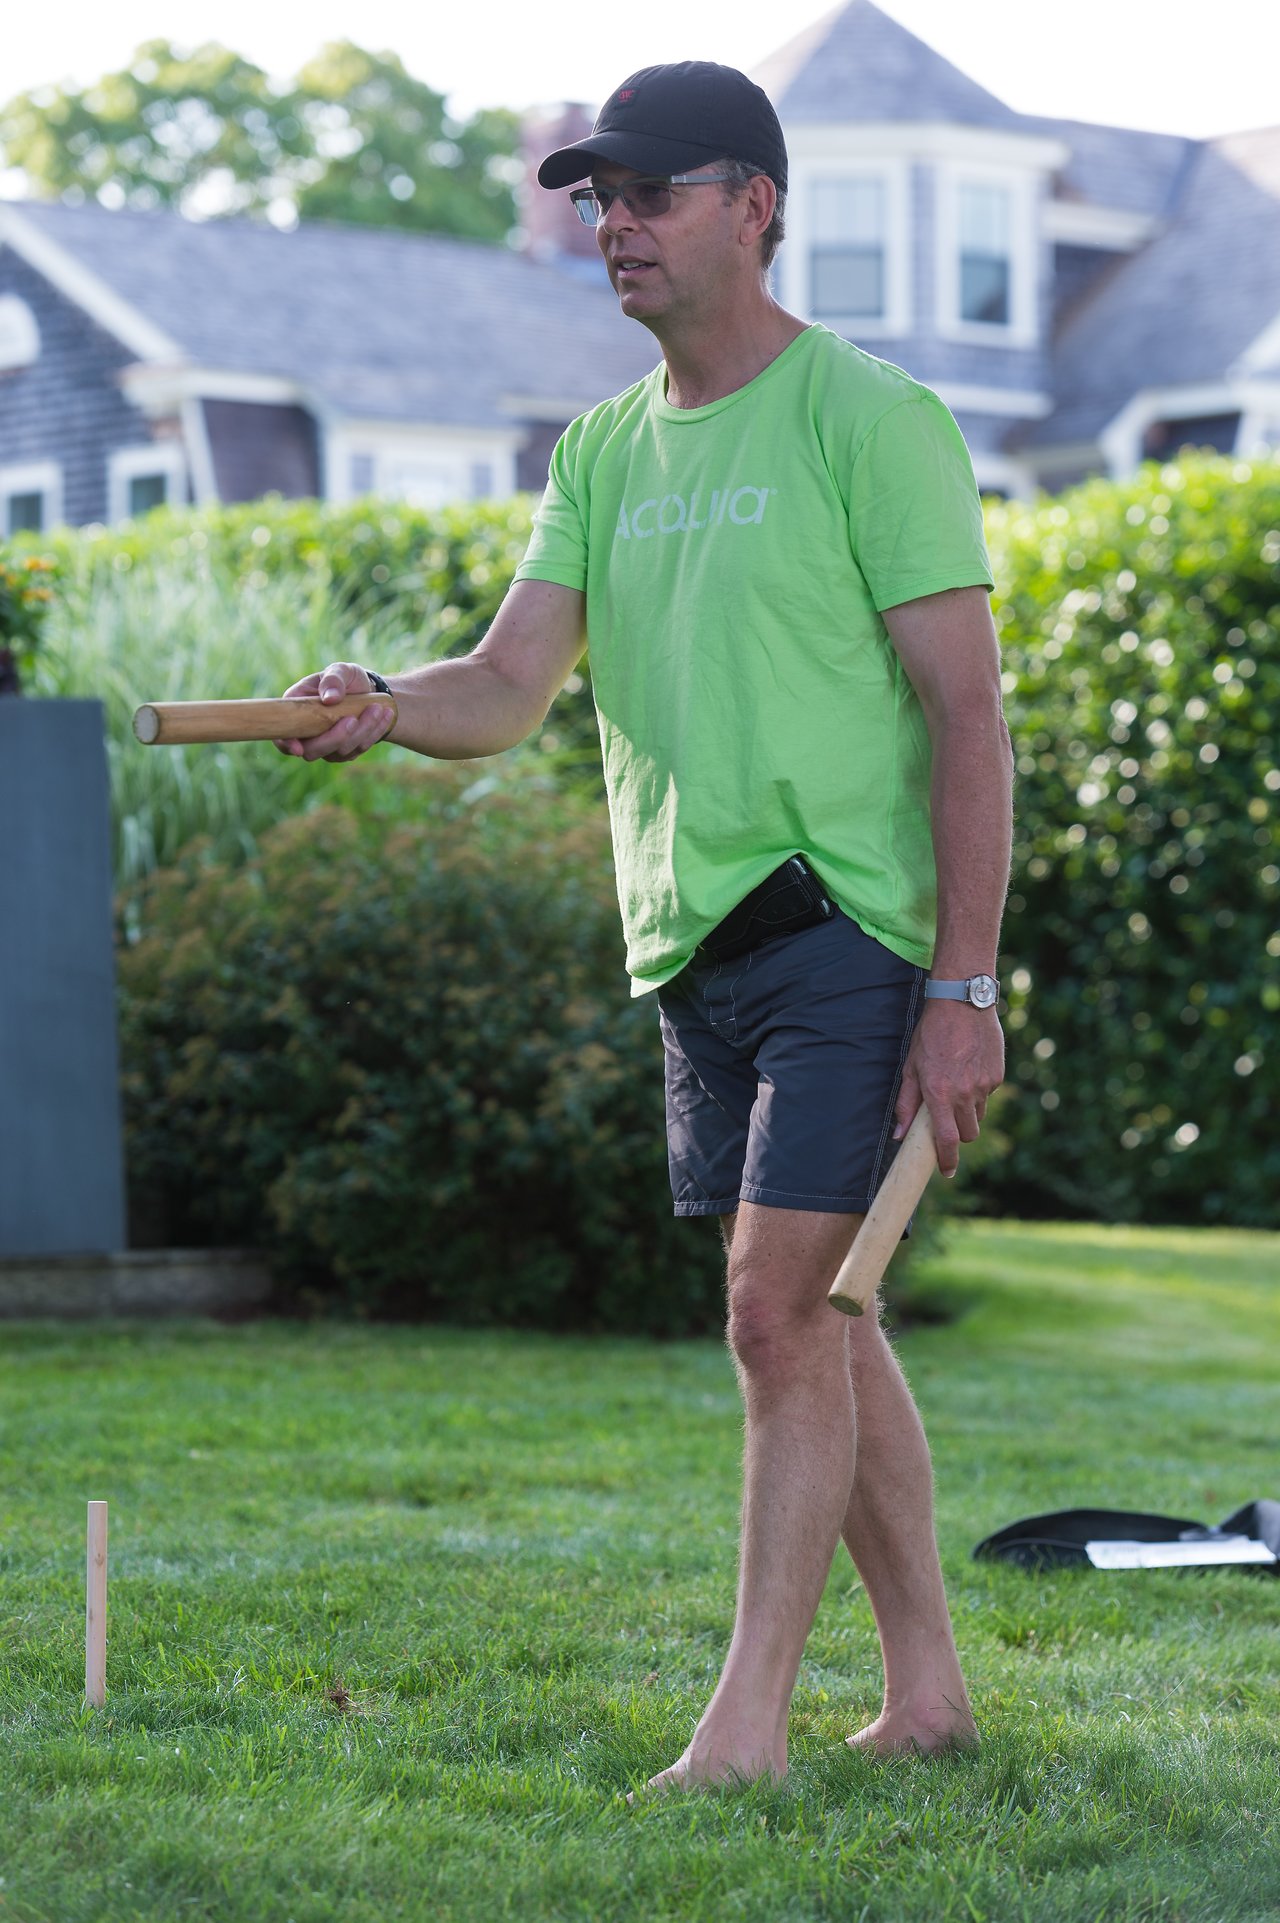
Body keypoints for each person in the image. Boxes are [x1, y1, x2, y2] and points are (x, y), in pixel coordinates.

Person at [277, 60, 1013, 1793]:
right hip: (695, 949)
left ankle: (745, 1731)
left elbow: (968, 714)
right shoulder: (602, 452)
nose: (615, 224)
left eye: (651, 192)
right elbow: (506, 682)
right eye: (599, 198)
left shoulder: (870, 419)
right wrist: (385, 702)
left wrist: (963, 986)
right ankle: (927, 1695)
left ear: (755, 203)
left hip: (842, 920)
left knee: (773, 1313)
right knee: (823, 1318)